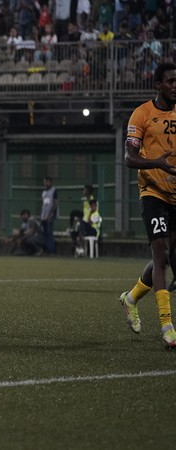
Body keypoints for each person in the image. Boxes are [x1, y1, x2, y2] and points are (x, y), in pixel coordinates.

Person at [118, 63, 176, 350]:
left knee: (164, 260)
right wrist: (157, 163)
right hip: (152, 192)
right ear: (157, 84)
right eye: (170, 81)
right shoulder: (142, 114)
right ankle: (167, 327)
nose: (175, 85)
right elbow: (129, 158)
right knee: (161, 252)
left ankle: (131, 298)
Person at [40, 176, 58, 255]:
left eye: (47, 182)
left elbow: (55, 203)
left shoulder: (54, 191)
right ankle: (46, 249)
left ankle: (51, 250)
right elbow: (43, 205)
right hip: (44, 215)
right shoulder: (44, 192)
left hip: (50, 215)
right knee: (44, 233)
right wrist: (42, 216)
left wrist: (50, 214)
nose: (45, 184)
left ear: (50, 182)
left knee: (49, 232)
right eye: (44, 182)